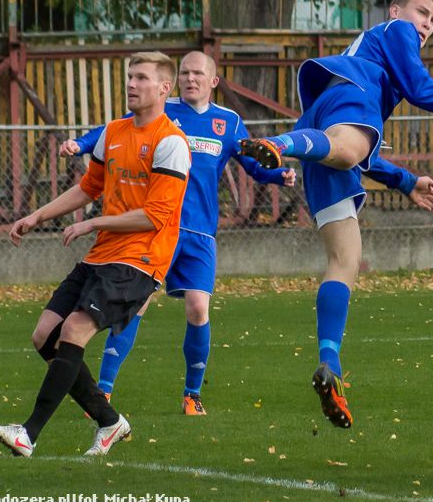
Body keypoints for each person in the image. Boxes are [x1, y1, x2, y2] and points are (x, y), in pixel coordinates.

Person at [240, 0, 433, 429]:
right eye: (422, 12)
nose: (426, 24)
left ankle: (329, 365)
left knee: (345, 259)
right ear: (396, 11)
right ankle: (278, 143)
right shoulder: (396, 32)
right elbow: (420, 90)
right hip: (345, 103)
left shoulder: (377, 55)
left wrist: (406, 181)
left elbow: (356, 151)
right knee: (347, 151)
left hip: (320, 129)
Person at [59, 51, 296, 416]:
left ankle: (192, 394)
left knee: (198, 308)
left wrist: (279, 175)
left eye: (197, 73)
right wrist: (81, 143)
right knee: (135, 306)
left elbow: (253, 164)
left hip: (200, 233)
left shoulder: (228, 122)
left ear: (213, 81)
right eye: (184, 72)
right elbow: (113, 130)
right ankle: (102, 392)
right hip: (156, 228)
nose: (190, 79)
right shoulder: (161, 110)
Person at [0, 51, 190, 457]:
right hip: (102, 254)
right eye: (130, 76)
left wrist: (92, 223)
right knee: (44, 336)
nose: (131, 84)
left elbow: (154, 216)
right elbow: (88, 187)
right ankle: (109, 421)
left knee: (74, 330)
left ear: (164, 88)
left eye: (142, 77)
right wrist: (37, 216)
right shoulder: (113, 131)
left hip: (141, 260)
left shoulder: (171, 142)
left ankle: (28, 434)